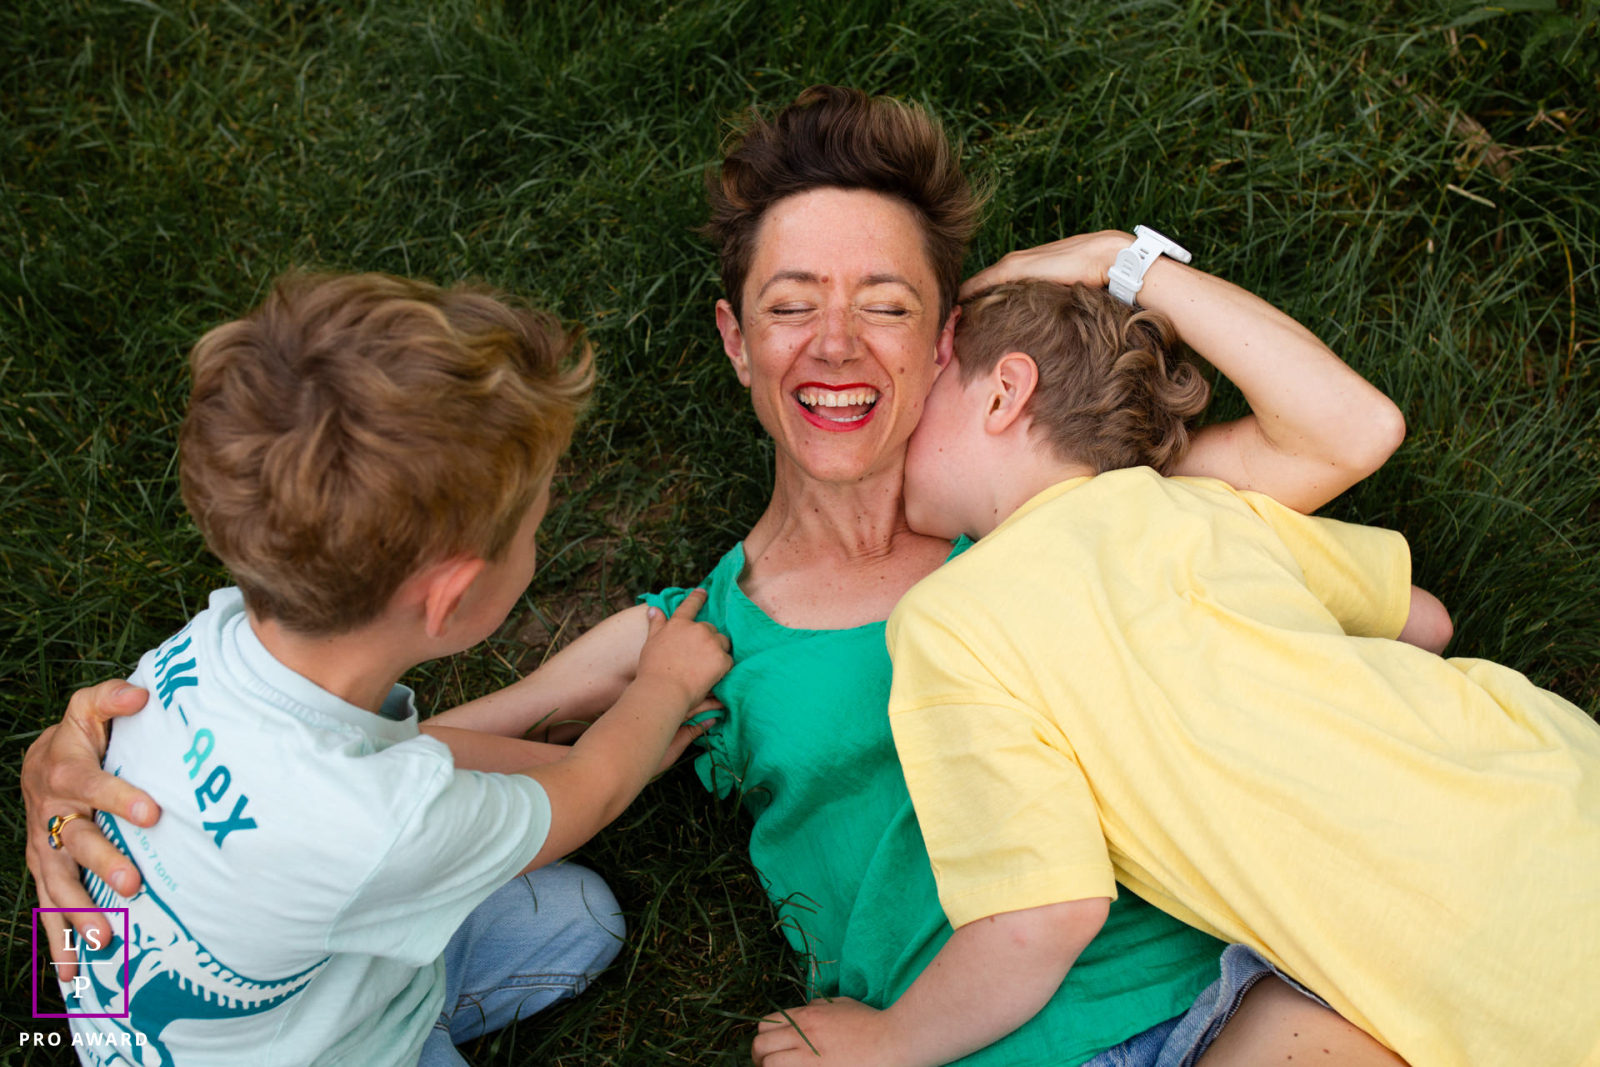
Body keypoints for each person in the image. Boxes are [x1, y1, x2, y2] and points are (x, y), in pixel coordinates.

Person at [26, 88, 1417, 1065]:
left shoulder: (1062, 513)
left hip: (1210, 990)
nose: (835, 342)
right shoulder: (700, 629)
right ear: (737, 344)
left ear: (950, 345)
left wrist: (1116, 265)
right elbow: (408, 753)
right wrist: (90, 772)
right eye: (790, 305)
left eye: (886, 304)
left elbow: (1342, 435)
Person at [882, 273, 1600, 1066]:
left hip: (1456, 938)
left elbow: (1042, 916)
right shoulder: (1206, 508)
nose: (899, 420)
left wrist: (887, 1038)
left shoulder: (949, 618)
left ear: (1003, 392)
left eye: (928, 387)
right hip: (1553, 774)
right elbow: (1425, 621)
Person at [47, 272, 732, 1066]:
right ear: (453, 595)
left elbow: (382, 775)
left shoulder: (209, 644)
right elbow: (593, 790)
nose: (537, 542)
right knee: (572, 914)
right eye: (534, 529)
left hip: (204, 1001)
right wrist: (661, 688)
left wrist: (553, 724)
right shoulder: (372, 827)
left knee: (581, 915)